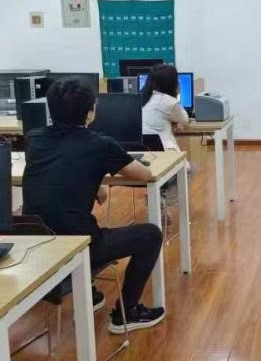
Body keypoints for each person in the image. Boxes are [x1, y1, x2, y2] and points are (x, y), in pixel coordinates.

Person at [22, 78, 165, 334]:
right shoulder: (100, 144)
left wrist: (95, 182)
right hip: (81, 244)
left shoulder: (34, 139)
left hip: (36, 245)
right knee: (151, 235)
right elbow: (144, 175)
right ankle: (127, 313)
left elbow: (61, 170)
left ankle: (88, 292)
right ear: (90, 113)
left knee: (63, 214)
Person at [141, 64, 190, 153]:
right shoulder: (168, 101)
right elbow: (185, 119)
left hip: (145, 151)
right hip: (164, 151)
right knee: (189, 162)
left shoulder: (143, 98)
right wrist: (176, 95)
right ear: (171, 83)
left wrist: (172, 121)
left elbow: (160, 116)